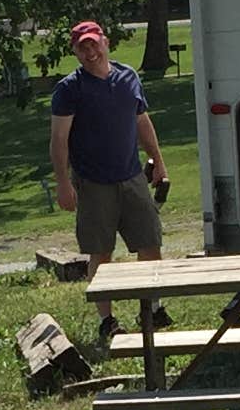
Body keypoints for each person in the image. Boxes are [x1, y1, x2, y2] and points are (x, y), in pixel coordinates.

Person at [49, 19, 171, 283]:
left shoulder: (128, 77)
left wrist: (158, 161)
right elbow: (59, 140)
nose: (91, 53)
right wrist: (62, 184)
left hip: (132, 176)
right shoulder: (69, 89)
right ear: (75, 52)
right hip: (92, 183)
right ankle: (108, 321)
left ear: (106, 42)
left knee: (150, 244)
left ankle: (152, 308)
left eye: (94, 44)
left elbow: (142, 121)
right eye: (83, 48)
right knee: (101, 253)